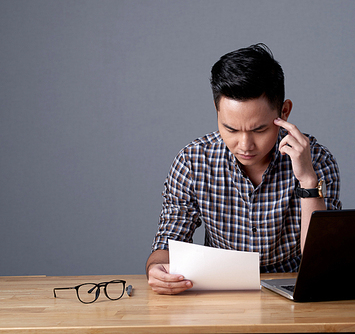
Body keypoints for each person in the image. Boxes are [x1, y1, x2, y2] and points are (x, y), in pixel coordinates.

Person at [146, 43, 341, 295]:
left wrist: (307, 181)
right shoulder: (193, 161)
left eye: (259, 130)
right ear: (217, 112)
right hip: (220, 293)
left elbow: (322, 263)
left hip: (295, 293)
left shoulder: (317, 160)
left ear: (284, 112)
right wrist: (157, 269)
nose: (245, 145)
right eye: (231, 129)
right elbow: (169, 238)